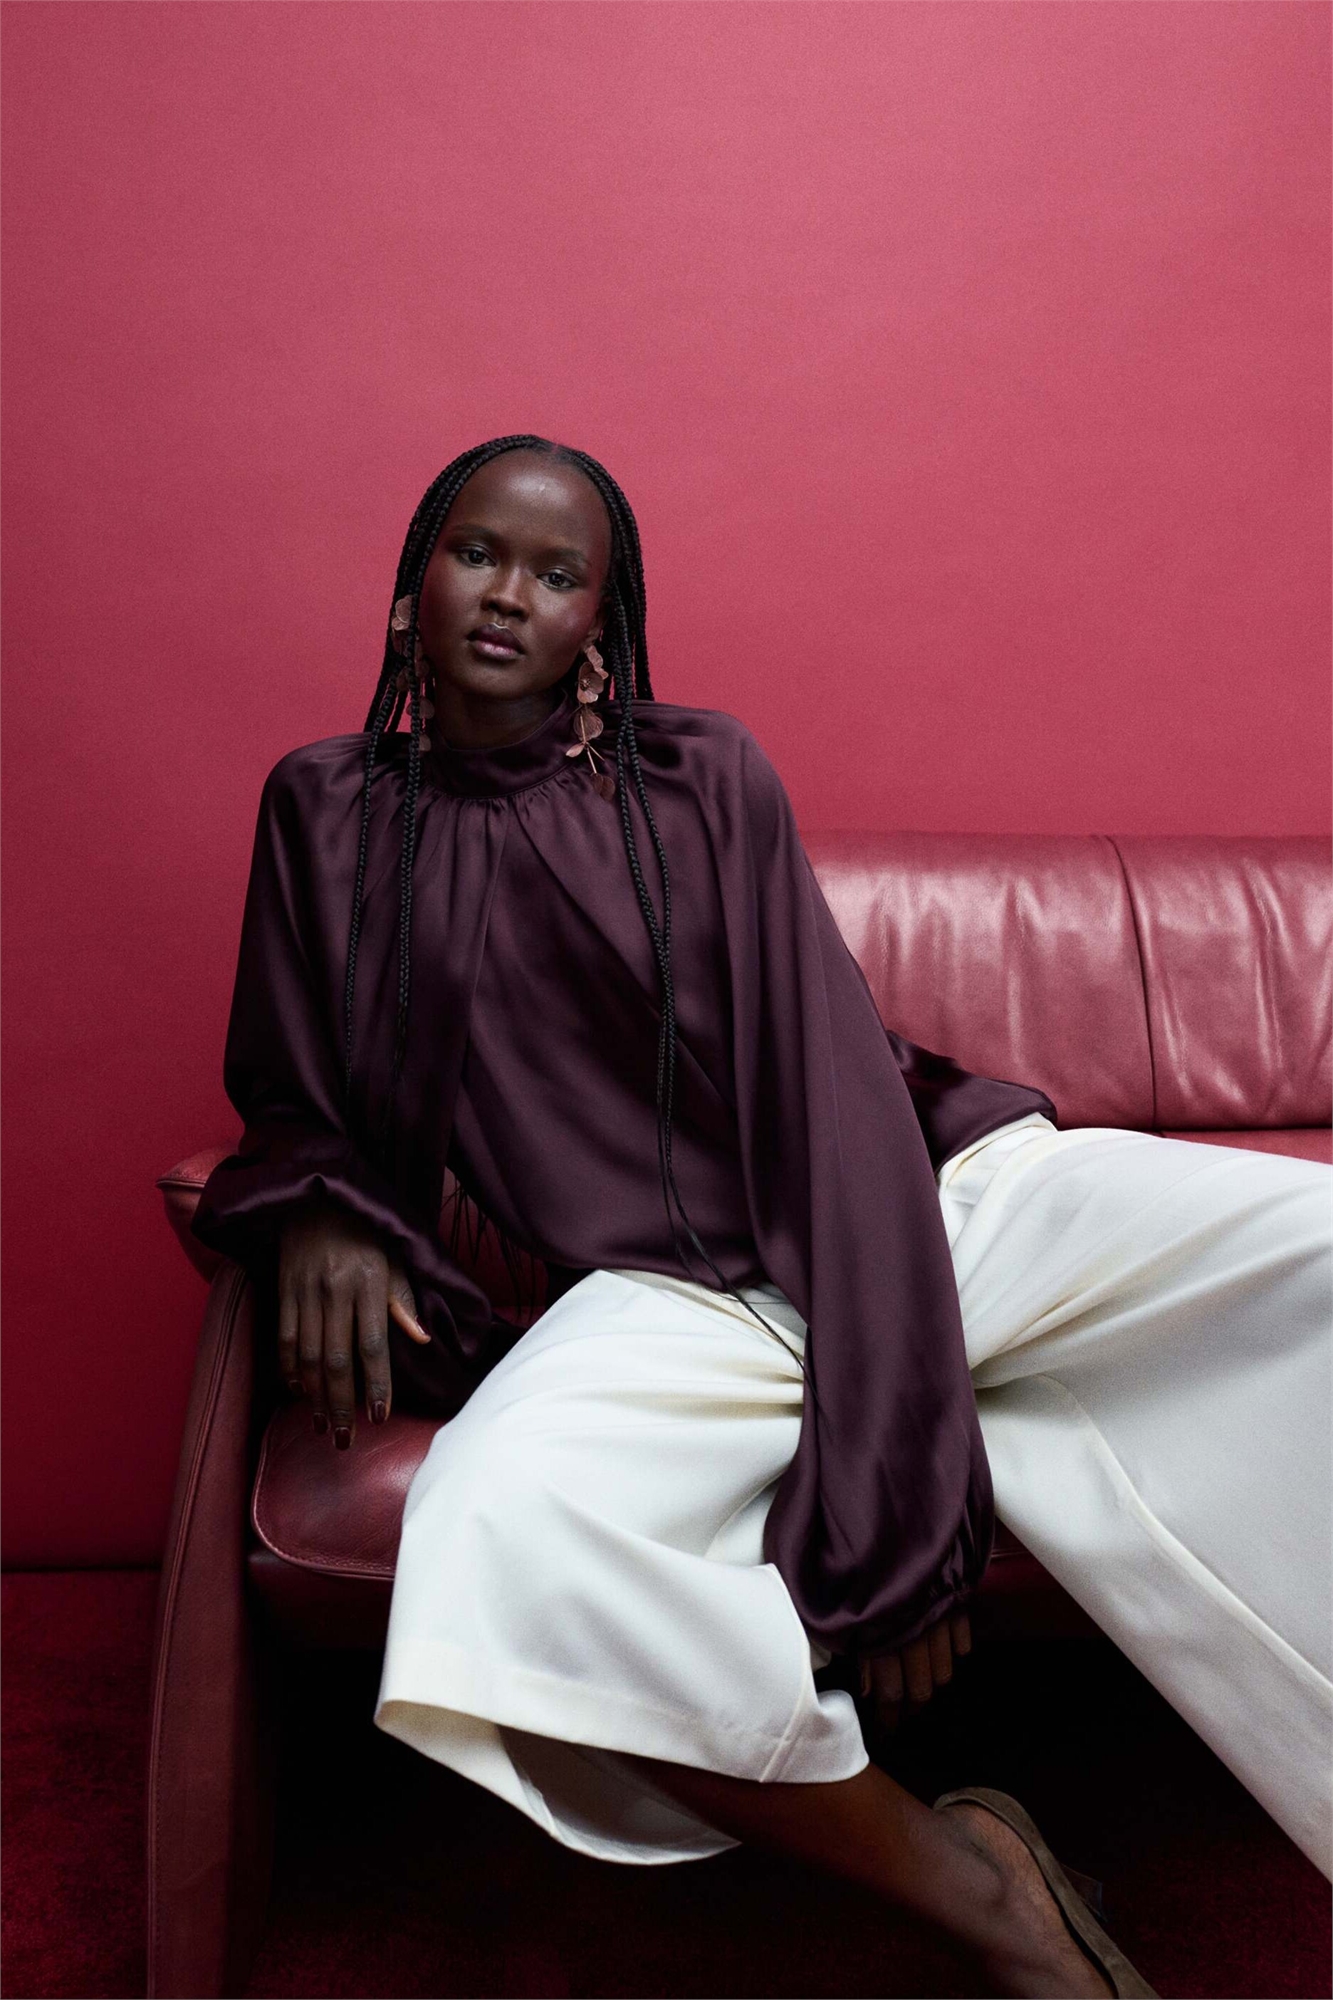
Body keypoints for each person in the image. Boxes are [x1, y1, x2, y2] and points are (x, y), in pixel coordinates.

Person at [193, 435, 1330, 1999]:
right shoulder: (323, 809)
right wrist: (314, 1204)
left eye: (556, 574)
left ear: (600, 624)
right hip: (666, 1296)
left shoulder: (695, 776)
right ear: (410, 590)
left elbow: (838, 1120)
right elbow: (290, 1077)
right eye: (478, 554)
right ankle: (977, 1891)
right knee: (492, 1519)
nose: (510, 595)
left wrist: (895, 1506)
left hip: (940, 1210)